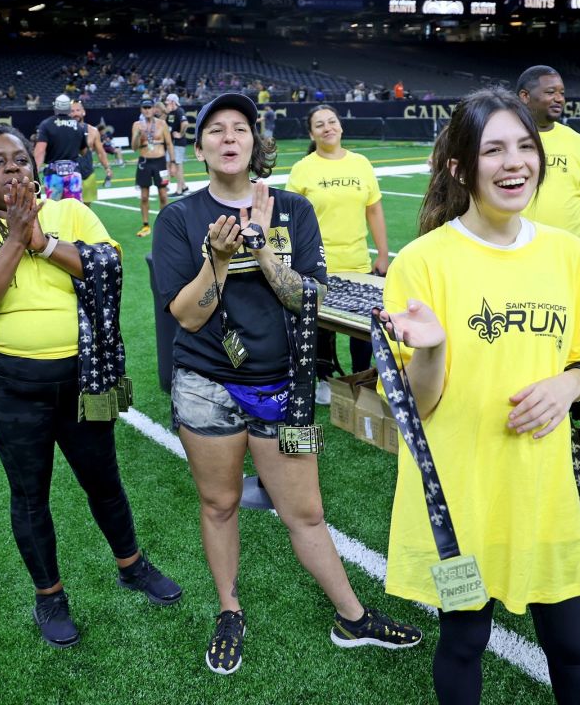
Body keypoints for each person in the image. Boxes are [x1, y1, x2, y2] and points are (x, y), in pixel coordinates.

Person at [151, 93, 421, 676]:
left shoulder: (293, 209)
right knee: (220, 504)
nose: (229, 138)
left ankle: (352, 616)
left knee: (305, 511)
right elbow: (188, 317)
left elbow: (309, 298)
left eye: (240, 129)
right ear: (199, 149)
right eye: (216, 130)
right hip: (206, 385)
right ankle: (229, 608)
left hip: (284, 388)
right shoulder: (178, 219)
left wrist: (262, 249)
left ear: (255, 143)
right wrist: (219, 260)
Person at [377, 87, 580, 705]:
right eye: (493, 150)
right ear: (460, 167)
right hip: (458, 505)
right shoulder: (422, 263)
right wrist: (431, 349)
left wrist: (569, 384)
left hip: (542, 495)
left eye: (524, 147)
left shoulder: (568, 256)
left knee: (570, 648)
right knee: (462, 642)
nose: (514, 163)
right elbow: (415, 409)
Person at [0, 124, 182, 649]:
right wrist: (15, 236)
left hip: (83, 378)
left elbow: (107, 268)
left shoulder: (70, 213)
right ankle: (50, 595)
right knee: (30, 496)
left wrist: (41, 240)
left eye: (21, 159)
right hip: (11, 388)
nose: (13, 169)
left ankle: (132, 565)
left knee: (104, 480)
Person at [286, 104, 391, 399]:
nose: (327, 127)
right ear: (312, 133)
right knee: (321, 328)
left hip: (357, 261)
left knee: (364, 325)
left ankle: (360, 377)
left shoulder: (361, 163)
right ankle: (323, 379)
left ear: (341, 127)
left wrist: (383, 254)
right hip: (316, 265)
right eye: (319, 124)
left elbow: (374, 210)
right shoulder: (303, 168)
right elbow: (291, 218)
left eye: (332, 122)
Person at [516, 65, 580, 260]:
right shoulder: (500, 138)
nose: (559, 99)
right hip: (511, 253)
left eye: (562, 93)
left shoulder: (579, 144)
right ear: (525, 96)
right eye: (550, 92)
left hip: (567, 258)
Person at [34, 95, 88, 202]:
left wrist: (34, 172)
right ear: (69, 108)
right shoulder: (78, 126)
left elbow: (40, 151)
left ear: (55, 108)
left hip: (54, 174)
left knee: (55, 210)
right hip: (73, 174)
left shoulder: (46, 125)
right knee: (75, 210)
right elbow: (84, 151)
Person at [131, 98, 173, 237]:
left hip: (160, 162)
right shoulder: (137, 125)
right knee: (144, 197)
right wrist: (138, 134)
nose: (147, 110)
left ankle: (164, 223)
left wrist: (172, 163)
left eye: (149, 107)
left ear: (154, 109)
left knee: (163, 195)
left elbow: (169, 144)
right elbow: (133, 147)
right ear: (141, 110)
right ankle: (145, 225)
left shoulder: (162, 124)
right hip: (144, 162)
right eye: (145, 107)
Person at [69, 99, 113, 209]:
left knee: (87, 208)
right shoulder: (62, 130)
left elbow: (101, 152)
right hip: (69, 175)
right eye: (72, 111)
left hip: (87, 174)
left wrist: (107, 168)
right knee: (71, 208)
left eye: (78, 110)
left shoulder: (93, 131)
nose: (75, 113)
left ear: (83, 112)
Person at [164, 93, 190, 197]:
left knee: (178, 165)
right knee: (171, 164)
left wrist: (181, 134)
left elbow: (185, 123)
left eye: (168, 102)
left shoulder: (179, 111)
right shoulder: (171, 113)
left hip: (178, 143)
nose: (166, 104)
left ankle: (179, 190)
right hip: (172, 143)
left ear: (173, 102)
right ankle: (183, 186)